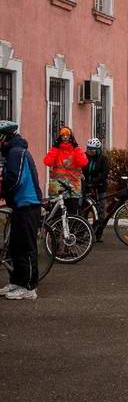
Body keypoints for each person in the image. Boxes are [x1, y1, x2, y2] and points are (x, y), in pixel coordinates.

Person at [0, 121, 43, 300]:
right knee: (16, 247)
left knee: (26, 247)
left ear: (4, 137)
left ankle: (29, 287)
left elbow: (14, 178)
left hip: (28, 204)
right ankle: (17, 281)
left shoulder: (16, 152)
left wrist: (3, 192)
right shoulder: (13, 152)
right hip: (20, 204)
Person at [43, 126, 87, 215]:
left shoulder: (75, 150)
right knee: (57, 212)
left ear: (71, 137)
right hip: (58, 186)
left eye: (67, 135)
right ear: (60, 137)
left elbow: (83, 162)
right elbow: (47, 162)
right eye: (63, 135)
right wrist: (55, 148)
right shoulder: (56, 150)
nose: (65, 137)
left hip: (73, 186)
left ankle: (72, 228)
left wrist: (76, 147)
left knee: (73, 212)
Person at [82, 138, 109, 242]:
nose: (90, 151)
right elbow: (82, 170)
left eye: (92, 149)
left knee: (101, 211)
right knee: (85, 210)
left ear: (98, 149)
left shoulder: (103, 159)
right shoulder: (84, 157)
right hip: (87, 188)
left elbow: (104, 174)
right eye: (89, 149)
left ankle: (98, 234)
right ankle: (84, 232)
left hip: (100, 188)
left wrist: (94, 181)